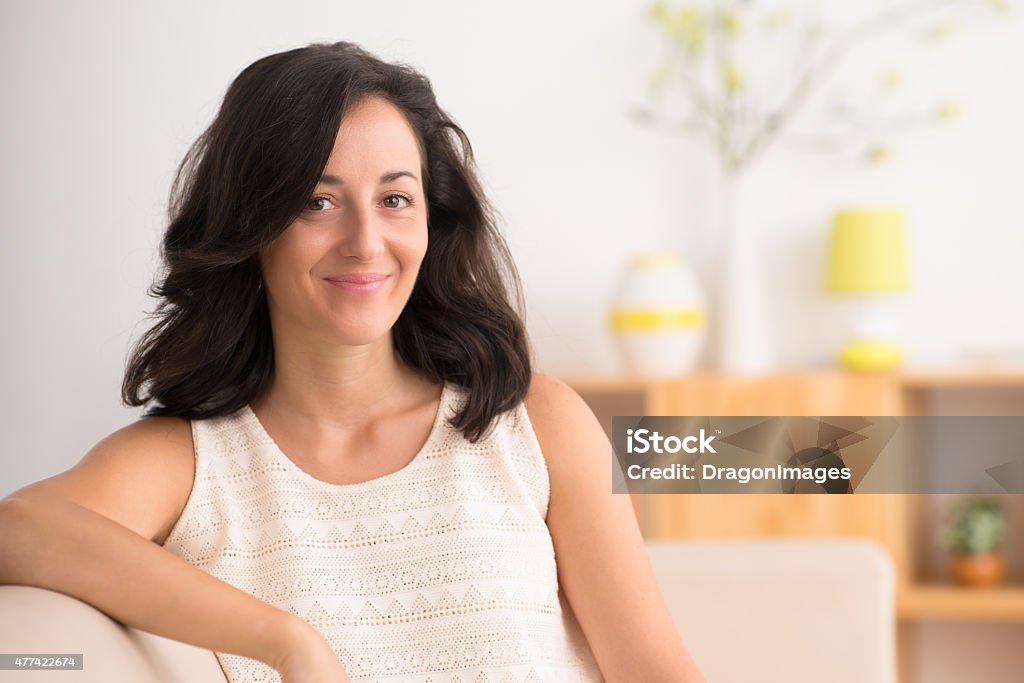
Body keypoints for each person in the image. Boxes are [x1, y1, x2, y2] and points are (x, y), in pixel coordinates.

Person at [0, 42, 706, 683]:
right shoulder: (188, 463)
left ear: (433, 220)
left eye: (395, 198)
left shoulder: (536, 425)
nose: (366, 242)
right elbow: (17, 528)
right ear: (253, 226)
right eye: (318, 201)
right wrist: (287, 642)